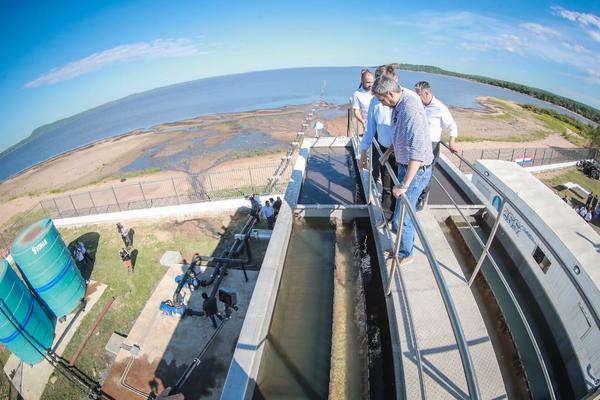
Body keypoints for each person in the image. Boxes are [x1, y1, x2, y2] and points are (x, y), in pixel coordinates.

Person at [374, 75, 434, 266]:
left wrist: (405, 184)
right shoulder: (398, 105)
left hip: (416, 170)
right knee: (401, 216)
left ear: (390, 93)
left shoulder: (410, 109)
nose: (382, 104)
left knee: (402, 217)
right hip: (403, 165)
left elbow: (417, 153)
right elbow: (398, 134)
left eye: (382, 100)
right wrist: (389, 152)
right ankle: (401, 248)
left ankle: (406, 253)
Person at [360, 65, 398, 221]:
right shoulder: (375, 102)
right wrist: (363, 152)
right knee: (388, 188)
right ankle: (387, 218)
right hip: (384, 149)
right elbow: (370, 129)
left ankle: (399, 217)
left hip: (403, 152)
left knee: (402, 187)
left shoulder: (407, 99)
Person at [414, 81, 459, 210]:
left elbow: (452, 126)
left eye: (419, 95)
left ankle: (420, 200)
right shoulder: (419, 105)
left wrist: (451, 142)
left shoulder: (440, 107)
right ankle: (412, 195)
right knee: (415, 170)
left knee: (426, 173)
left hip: (432, 145)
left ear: (426, 93)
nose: (417, 98)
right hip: (419, 142)